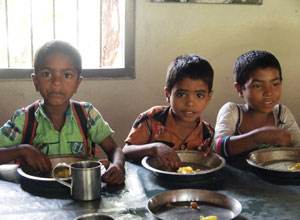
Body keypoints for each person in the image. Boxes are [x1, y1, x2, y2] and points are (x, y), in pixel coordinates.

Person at [0, 40, 125, 184]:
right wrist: (22, 150)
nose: (56, 82)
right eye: (47, 74)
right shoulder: (24, 119)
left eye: (67, 75)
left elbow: (114, 149)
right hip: (38, 198)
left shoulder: (88, 115)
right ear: (35, 81)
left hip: (81, 194)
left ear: (78, 83)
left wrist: (118, 166)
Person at [123, 54, 214, 170]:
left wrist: (208, 154)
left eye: (199, 95)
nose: (190, 103)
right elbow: (125, 151)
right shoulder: (152, 119)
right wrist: (154, 148)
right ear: (168, 94)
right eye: (181, 94)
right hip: (149, 182)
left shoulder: (207, 133)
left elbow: (209, 161)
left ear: (209, 97)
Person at [213, 50, 300, 163]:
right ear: (239, 89)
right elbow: (217, 148)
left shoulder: (281, 113)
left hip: (275, 176)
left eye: (275, 84)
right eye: (258, 85)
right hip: (238, 177)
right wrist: (257, 137)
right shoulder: (233, 111)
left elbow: (297, 148)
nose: (268, 92)